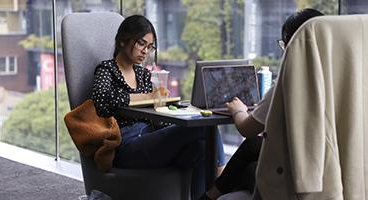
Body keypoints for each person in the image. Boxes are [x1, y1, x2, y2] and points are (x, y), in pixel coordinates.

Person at [91, 15, 226, 199]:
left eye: (149, 46)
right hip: (126, 145)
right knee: (204, 128)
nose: (146, 51)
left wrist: (169, 108)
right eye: (141, 44)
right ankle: (224, 179)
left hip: (150, 139)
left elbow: (153, 118)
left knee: (202, 147)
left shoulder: (143, 74)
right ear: (123, 40)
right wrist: (143, 96)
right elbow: (101, 102)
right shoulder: (107, 70)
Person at [199, 8, 324, 200]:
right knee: (252, 151)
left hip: (294, 175)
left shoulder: (290, 82)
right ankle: (211, 195)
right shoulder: (346, 79)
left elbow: (247, 128)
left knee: (249, 156)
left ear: (295, 44)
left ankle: (209, 196)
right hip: (323, 170)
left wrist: (238, 110)